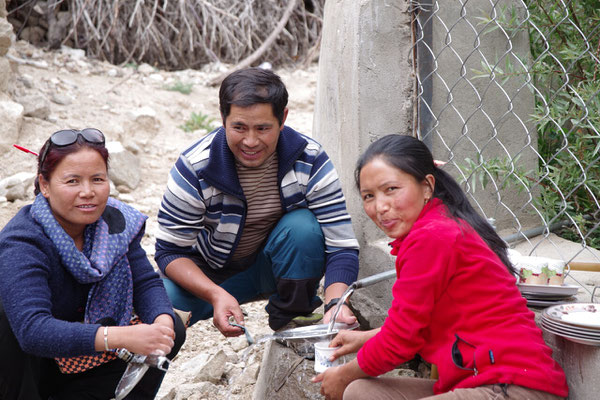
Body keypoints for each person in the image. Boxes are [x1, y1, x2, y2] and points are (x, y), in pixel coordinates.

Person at [312, 134, 568, 400]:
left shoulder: (432, 236)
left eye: (391, 189)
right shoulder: (433, 228)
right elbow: (414, 325)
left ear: (427, 187)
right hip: (475, 382)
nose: (380, 207)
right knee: (360, 391)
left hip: (512, 387)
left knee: (350, 384)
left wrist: (343, 374)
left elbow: (401, 341)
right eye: (368, 195)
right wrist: (366, 339)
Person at [155, 67, 360, 336]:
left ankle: (294, 318)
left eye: (263, 128)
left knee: (303, 227)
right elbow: (170, 251)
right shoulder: (195, 167)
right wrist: (216, 295)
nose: (250, 142)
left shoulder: (309, 159)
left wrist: (336, 303)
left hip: (271, 269)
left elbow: (341, 246)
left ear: (283, 118)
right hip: (205, 277)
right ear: (222, 118)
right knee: (158, 317)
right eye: (239, 127)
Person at [0, 128, 185, 400]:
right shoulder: (23, 241)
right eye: (73, 181)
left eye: (97, 179)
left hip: (81, 356)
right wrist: (119, 336)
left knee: (169, 330)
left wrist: (162, 322)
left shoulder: (114, 224)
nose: (88, 192)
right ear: (45, 185)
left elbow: (144, 281)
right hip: (29, 366)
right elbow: (33, 331)